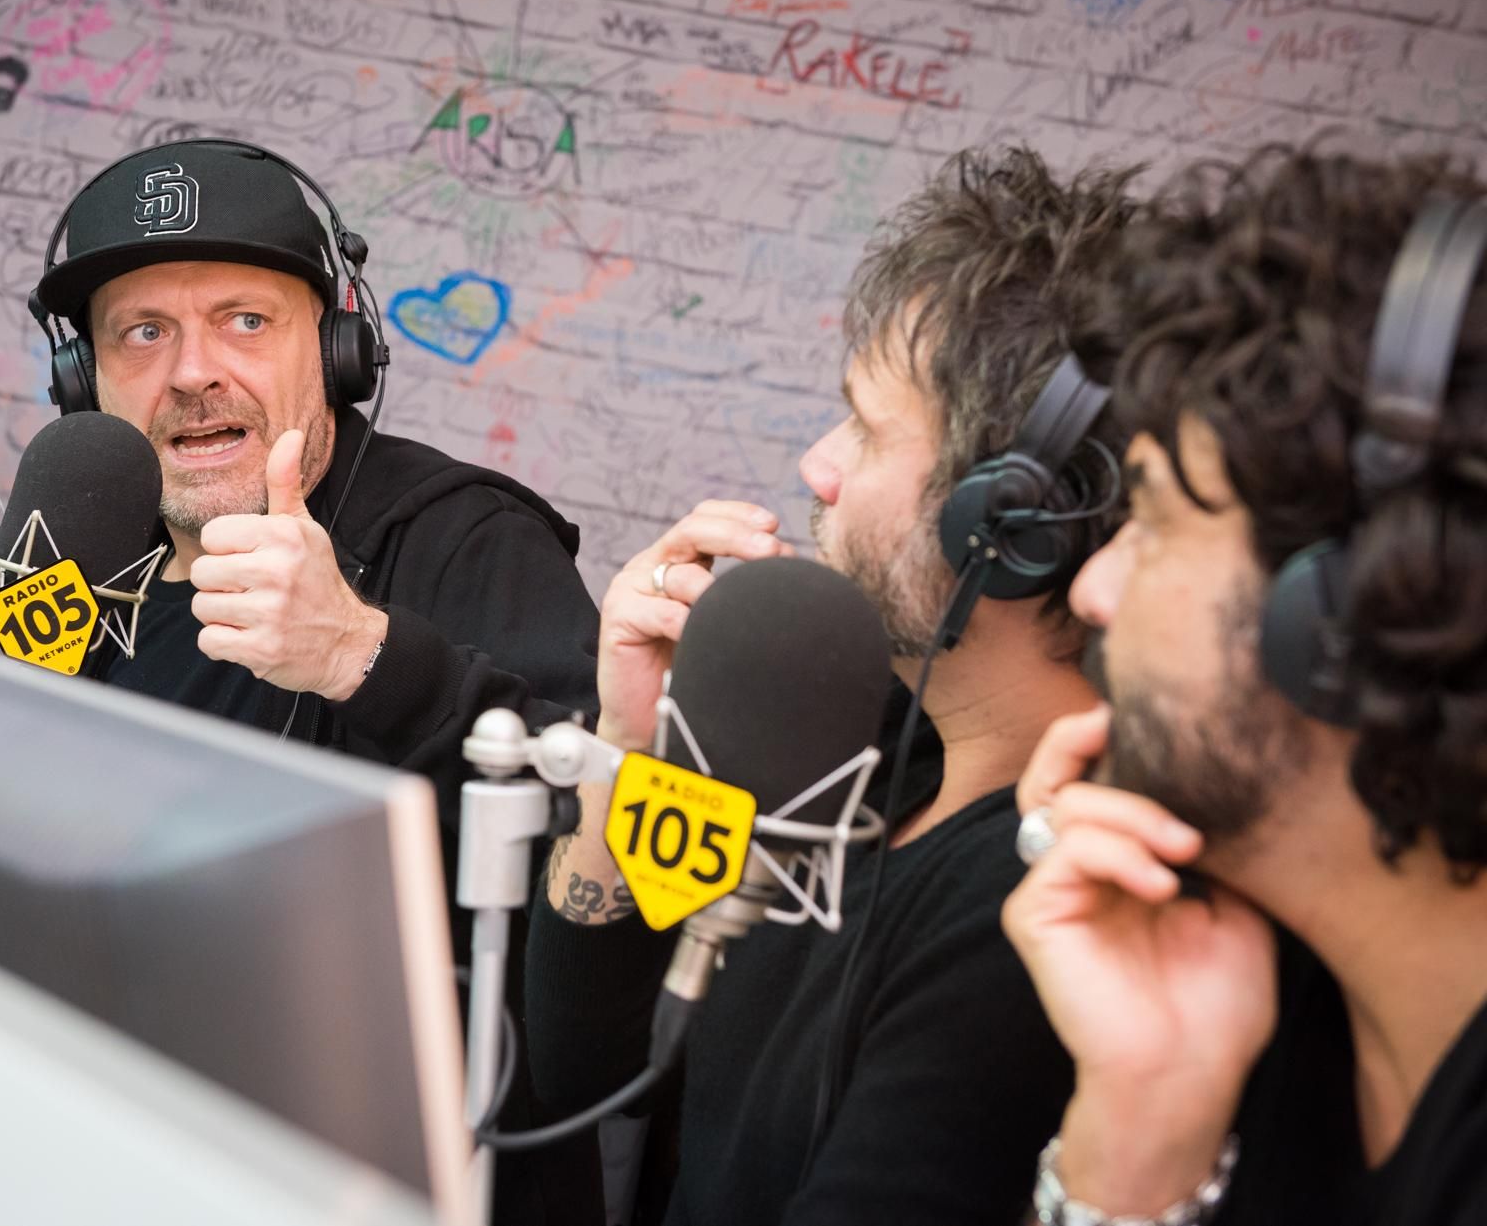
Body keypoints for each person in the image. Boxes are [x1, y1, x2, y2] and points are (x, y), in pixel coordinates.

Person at [522, 148, 1139, 1225]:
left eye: (864, 426)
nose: (819, 463)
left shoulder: (1030, 917)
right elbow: (592, 1064)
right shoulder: (857, 737)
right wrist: (629, 744)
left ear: (1008, 524)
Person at [26, 138, 603, 1225]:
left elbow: (606, 863)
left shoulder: (468, 541)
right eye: (143, 333)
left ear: (338, 348)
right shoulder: (89, 558)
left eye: (245, 320)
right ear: (81, 379)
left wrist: (362, 657)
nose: (192, 373)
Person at [1002, 147, 1487, 1225]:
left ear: (1355, 617)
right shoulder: (1271, 997)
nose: (1090, 587)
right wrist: (1142, 1129)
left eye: (1153, 520)